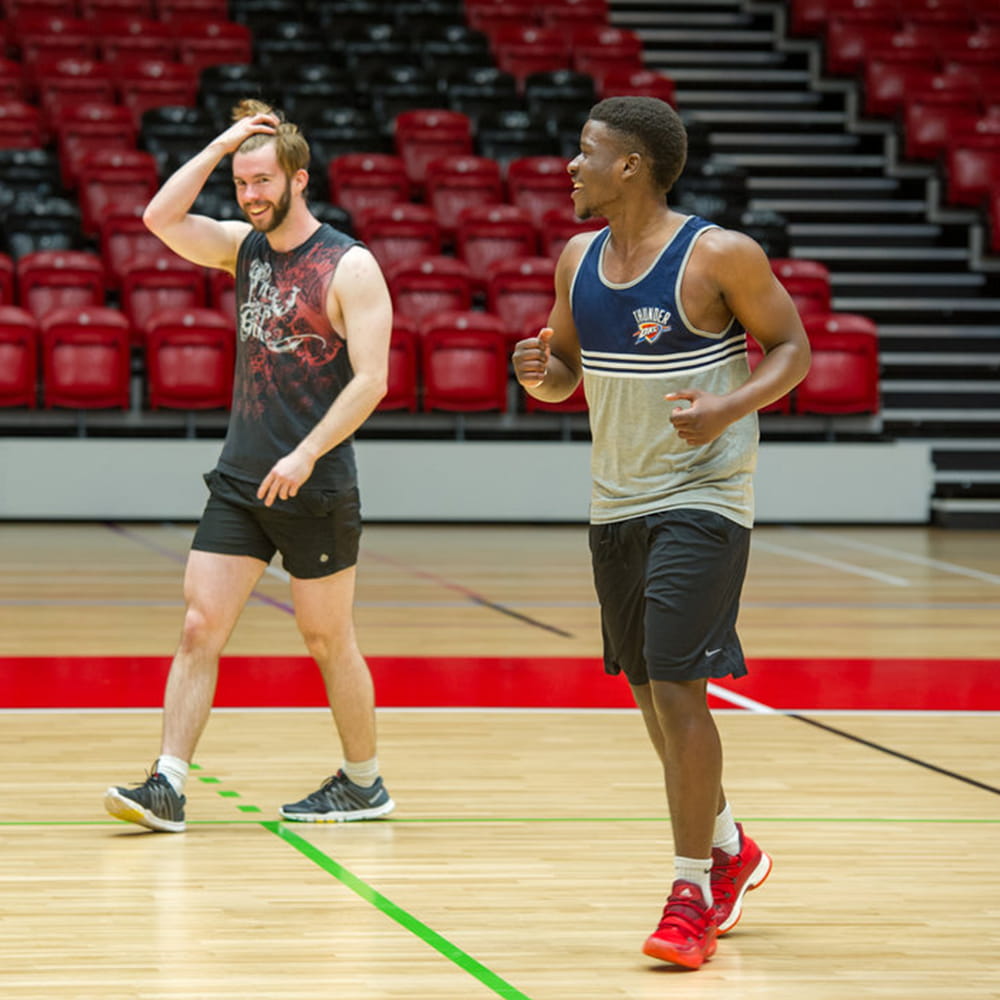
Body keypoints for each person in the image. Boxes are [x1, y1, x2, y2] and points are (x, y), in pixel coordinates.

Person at [512, 97, 811, 970]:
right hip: (617, 503)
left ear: (631, 166)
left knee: (679, 686)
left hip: (705, 496)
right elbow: (565, 374)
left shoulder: (718, 254)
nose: (571, 166)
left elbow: (791, 347)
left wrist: (729, 405)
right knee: (649, 689)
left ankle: (691, 895)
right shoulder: (577, 258)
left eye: (585, 152)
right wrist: (540, 374)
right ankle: (732, 846)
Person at [104, 99, 395, 832]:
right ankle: (167, 783)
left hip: (316, 481)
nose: (252, 196)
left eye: (263, 180)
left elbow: (372, 380)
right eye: (242, 185)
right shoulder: (245, 248)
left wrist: (306, 451)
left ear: (300, 178)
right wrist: (224, 143)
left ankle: (363, 782)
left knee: (328, 640)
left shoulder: (349, 265)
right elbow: (159, 219)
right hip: (241, 479)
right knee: (201, 624)